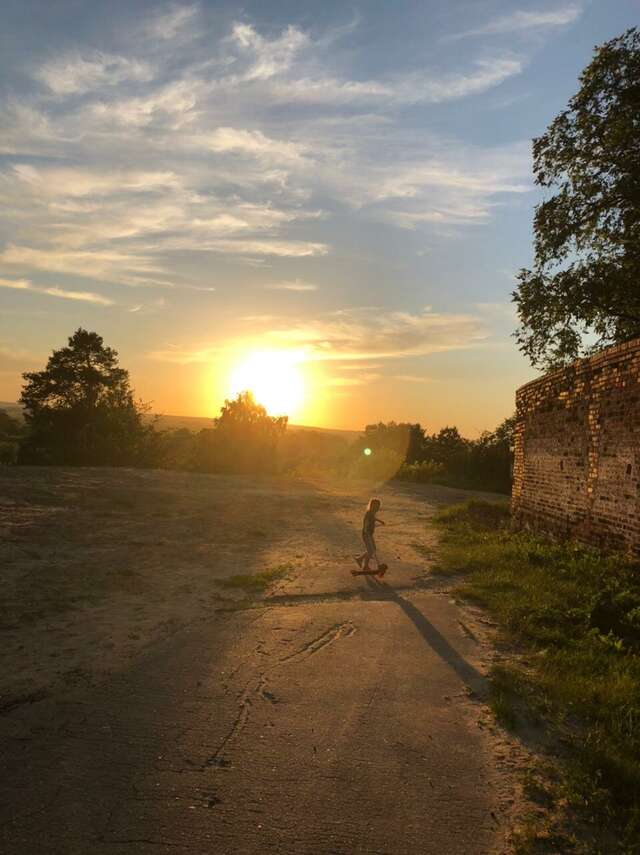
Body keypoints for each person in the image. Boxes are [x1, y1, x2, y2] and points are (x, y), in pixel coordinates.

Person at [353, 497, 385, 574]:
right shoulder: (369, 514)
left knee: (373, 549)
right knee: (371, 551)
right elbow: (367, 523)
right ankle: (365, 566)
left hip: (369, 534)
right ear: (372, 506)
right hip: (366, 534)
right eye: (376, 507)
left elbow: (373, 518)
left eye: (378, 507)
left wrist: (380, 521)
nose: (378, 508)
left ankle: (359, 559)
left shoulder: (372, 513)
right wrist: (367, 532)